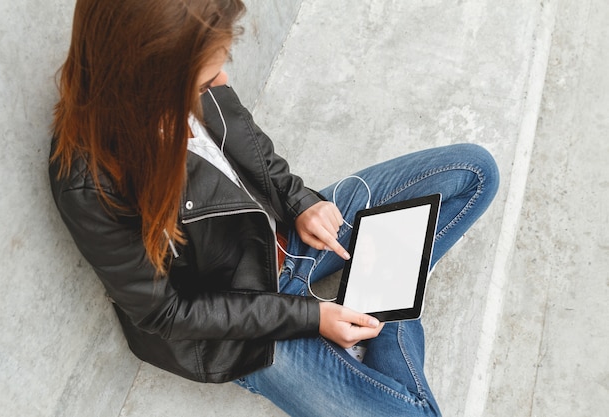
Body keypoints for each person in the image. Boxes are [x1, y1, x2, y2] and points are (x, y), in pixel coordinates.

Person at [49, 1, 499, 416]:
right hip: (244, 327)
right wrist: (313, 317)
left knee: (473, 172)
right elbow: (168, 313)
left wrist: (299, 201)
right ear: (156, 76)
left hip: (289, 236)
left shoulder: (186, 75)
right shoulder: (91, 181)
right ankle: (389, 307)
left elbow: (247, 141)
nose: (222, 82)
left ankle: (378, 304)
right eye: (206, 81)